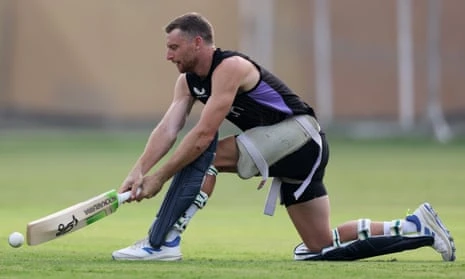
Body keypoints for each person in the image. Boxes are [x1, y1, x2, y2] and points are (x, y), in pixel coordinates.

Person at [111, 12, 455, 261]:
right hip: (293, 150)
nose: (168, 55)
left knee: (205, 154)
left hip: (300, 136)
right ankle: (415, 226)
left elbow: (202, 135)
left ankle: (162, 242)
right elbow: (168, 129)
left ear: (197, 42)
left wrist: (159, 177)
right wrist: (139, 170)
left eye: (174, 47)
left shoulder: (228, 67)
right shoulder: (187, 82)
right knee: (320, 246)